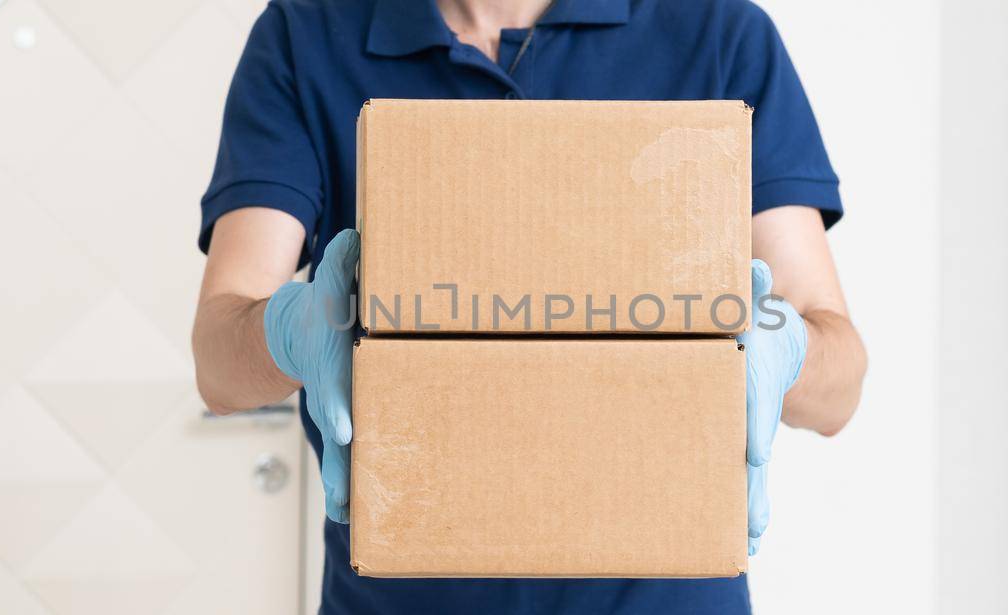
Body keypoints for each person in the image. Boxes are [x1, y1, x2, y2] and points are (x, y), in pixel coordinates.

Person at [191, 0, 867, 612]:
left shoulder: (718, 35)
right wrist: (290, 330)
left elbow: (837, 382)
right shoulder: (305, 35)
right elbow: (220, 363)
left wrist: (787, 349)